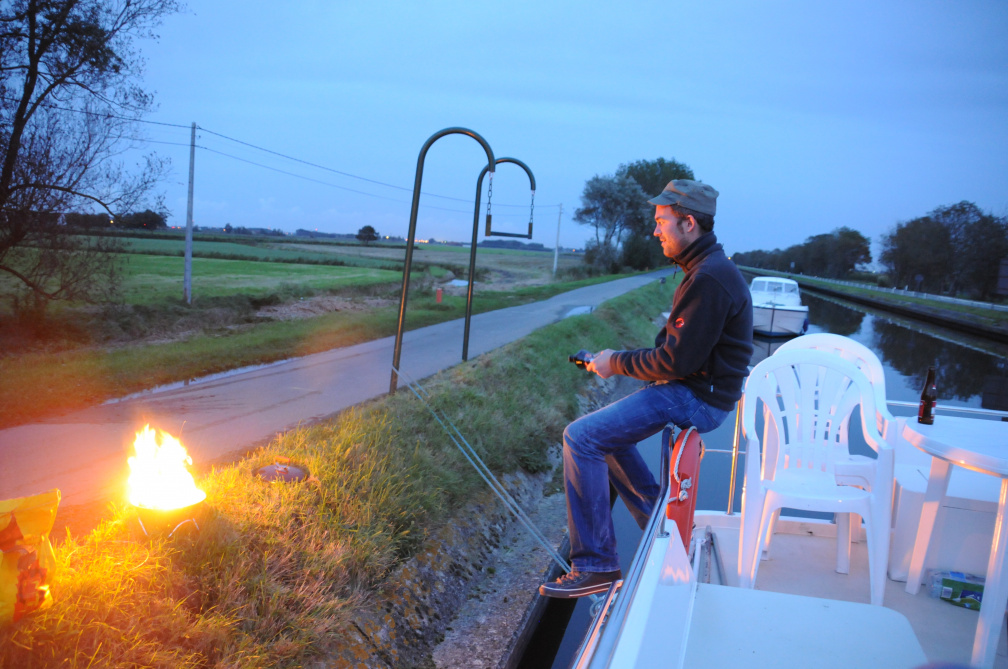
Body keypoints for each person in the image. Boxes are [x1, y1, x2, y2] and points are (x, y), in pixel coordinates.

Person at [539, 179, 753, 598]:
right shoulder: (705, 269)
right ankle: (662, 523)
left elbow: (675, 362)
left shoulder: (709, 278)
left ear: (688, 223)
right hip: (700, 390)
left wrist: (615, 362)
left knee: (580, 437)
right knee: (605, 436)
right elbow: (676, 353)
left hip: (698, 399)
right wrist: (618, 359)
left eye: (661, 221)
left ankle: (596, 566)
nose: (655, 231)